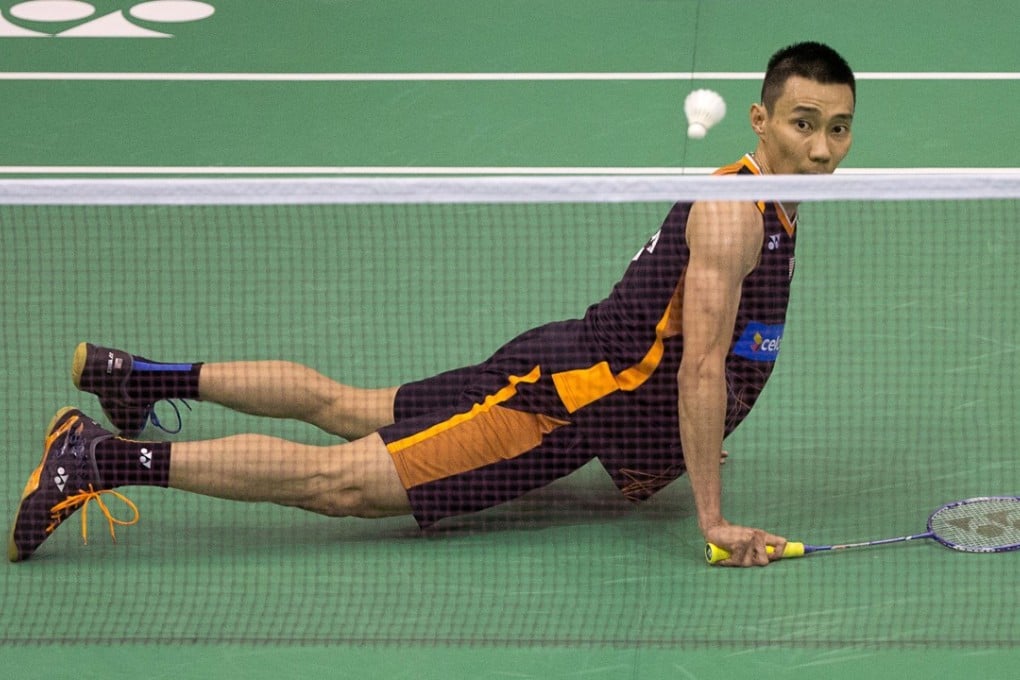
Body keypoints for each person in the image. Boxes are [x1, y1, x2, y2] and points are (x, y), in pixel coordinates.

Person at [8, 42, 856, 566]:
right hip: (555, 406)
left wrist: (688, 439)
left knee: (350, 406)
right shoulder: (735, 217)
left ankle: (144, 378)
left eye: (838, 129)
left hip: (565, 364)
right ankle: (100, 458)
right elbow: (702, 365)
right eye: (803, 124)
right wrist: (711, 516)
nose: (820, 149)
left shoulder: (767, 198)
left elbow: (693, 346)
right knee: (339, 483)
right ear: (760, 119)